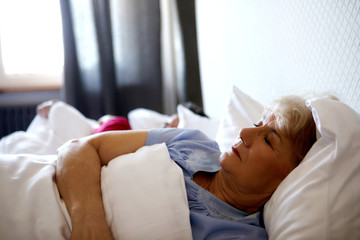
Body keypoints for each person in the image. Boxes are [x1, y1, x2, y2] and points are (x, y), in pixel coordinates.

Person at [55, 95, 317, 239]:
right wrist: (88, 218)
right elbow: (77, 148)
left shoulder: (238, 235)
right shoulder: (190, 142)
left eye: (269, 139)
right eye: (258, 124)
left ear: (290, 178)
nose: (245, 132)